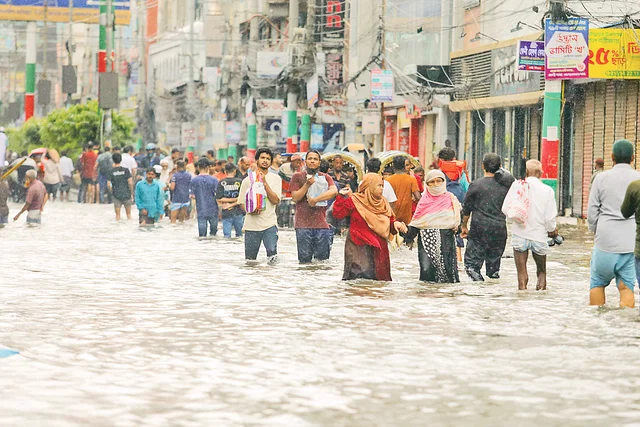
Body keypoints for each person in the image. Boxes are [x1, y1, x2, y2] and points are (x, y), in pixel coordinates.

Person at [590, 140, 640, 308]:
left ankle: (597, 324)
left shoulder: (601, 178)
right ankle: (622, 327)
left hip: (605, 240)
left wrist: (595, 232)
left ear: (612, 157)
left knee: (597, 283)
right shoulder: (638, 179)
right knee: (626, 287)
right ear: (633, 158)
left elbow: (592, 211)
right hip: (629, 241)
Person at [332, 173, 408, 281]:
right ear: (369, 186)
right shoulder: (355, 200)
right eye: (379, 185)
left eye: (382, 186)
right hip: (358, 245)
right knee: (360, 279)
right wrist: (340, 197)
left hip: (379, 247)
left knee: (378, 281)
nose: (382, 188)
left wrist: (396, 224)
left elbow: (389, 221)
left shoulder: (383, 203)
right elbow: (338, 214)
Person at [502, 160, 558, 290]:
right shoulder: (547, 190)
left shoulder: (517, 185)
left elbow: (505, 209)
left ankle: (522, 300)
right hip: (539, 236)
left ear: (526, 172)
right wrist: (552, 230)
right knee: (542, 273)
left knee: (521, 274)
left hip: (520, 234)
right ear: (540, 173)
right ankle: (539, 301)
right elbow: (549, 218)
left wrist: (515, 220)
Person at [461, 153, 515, 281]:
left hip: (479, 228)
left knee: (471, 266)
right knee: (493, 270)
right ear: (500, 166)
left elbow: (466, 210)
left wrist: (463, 226)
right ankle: (492, 294)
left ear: (482, 166)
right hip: (499, 230)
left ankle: (479, 290)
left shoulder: (476, 185)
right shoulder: (507, 186)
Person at [403, 170, 462, 283]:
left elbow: (458, 225)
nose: (436, 185)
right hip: (426, 245)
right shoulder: (423, 202)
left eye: (438, 181)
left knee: (448, 278)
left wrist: (456, 227)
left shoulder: (451, 199)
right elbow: (415, 226)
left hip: (447, 243)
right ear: (427, 184)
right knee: (427, 276)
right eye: (432, 182)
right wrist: (404, 231)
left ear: (443, 182)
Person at [290, 150, 338, 263]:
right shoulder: (297, 177)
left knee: (322, 263)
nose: (312, 161)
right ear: (305, 161)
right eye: (310, 158)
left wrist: (316, 200)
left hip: (322, 225)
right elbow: (295, 197)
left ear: (319, 162)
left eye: (315, 159)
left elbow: (334, 191)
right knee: (304, 262)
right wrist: (307, 184)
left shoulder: (326, 178)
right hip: (303, 226)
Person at [238, 148, 282, 263]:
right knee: (250, 261)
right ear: (256, 160)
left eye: (268, 159)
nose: (265, 161)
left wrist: (264, 182)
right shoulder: (248, 180)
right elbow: (241, 203)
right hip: (251, 226)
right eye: (262, 158)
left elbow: (276, 200)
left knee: (272, 257)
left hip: (269, 224)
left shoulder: (276, 179)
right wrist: (250, 210)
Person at [386, 155, 421, 225]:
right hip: (406, 218)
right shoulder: (411, 179)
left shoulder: (387, 180)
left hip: (391, 217)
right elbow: (418, 197)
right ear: (404, 166)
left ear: (393, 166)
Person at [190, 159, 220, 238]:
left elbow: (192, 196)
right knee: (214, 234)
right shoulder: (214, 180)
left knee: (202, 236)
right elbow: (218, 195)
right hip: (213, 209)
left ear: (198, 167)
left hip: (201, 209)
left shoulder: (194, 180)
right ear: (208, 167)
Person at [216, 163, 244, 238]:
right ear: (235, 171)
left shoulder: (221, 182)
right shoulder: (240, 182)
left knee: (226, 236)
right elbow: (243, 198)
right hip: (238, 212)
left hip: (226, 213)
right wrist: (235, 200)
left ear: (225, 171)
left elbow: (219, 198)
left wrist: (228, 203)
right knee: (240, 236)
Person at [107, 153, 134, 220]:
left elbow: (108, 184)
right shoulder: (126, 170)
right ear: (121, 160)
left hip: (116, 195)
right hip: (126, 194)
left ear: (113, 160)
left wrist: (112, 192)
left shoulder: (111, 171)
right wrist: (131, 193)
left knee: (117, 216)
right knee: (129, 215)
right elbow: (130, 183)